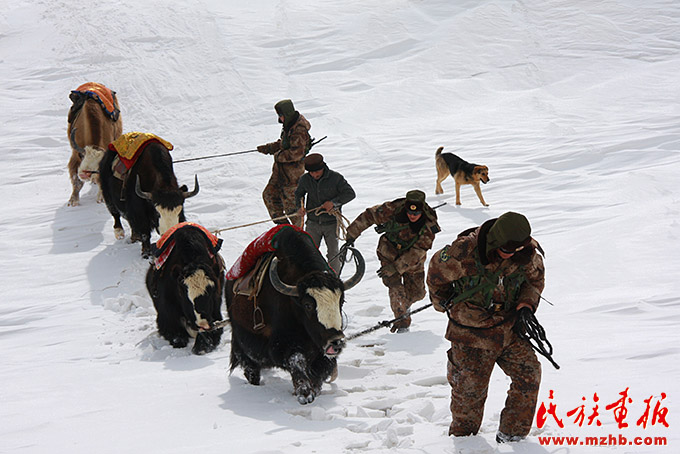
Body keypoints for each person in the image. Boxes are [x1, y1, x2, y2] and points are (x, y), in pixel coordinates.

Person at [426, 211, 545, 443]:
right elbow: (435, 275)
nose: (510, 254)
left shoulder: (527, 251)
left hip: (510, 329)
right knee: (469, 396)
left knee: (528, 374)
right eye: (506, 249)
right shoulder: (463, 252)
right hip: (471, 334)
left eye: (515, 250)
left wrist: (526, 303)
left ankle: (513, 437)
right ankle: (464, 444)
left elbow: (535, 280)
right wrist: (446, 304)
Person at [344, 190, 440, 333]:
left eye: (416, 213)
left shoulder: (429, 223)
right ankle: (402, 324)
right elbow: (369, 215)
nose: (412, 216)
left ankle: (403, 307)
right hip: (388, 253)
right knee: (395, 288)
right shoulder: (392, 209)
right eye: (410, 212)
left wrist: (397, 267)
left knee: (418, 293)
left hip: (413, 260)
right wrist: (351, 235)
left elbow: (419, 250)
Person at [295, 153, 356, 273]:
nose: (314, 175)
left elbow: (350, 194)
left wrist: (334, 203)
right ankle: (309, 276)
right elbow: (298, 194)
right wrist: (299, 207)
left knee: (333, 253)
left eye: (316, 172)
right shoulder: (305, 179)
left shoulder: (336, 178)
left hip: (331, 223)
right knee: (309, 252)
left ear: (323, 168)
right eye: (311, 173)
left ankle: (334, 278)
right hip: (313, 223)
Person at [257, 99, 311, 227]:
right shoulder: (289, 125)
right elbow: (285, 143)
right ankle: (285, 228)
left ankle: (299, 236)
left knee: (293, 210)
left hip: (292, 177)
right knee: (269, 195)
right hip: (280, 174)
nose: (280, 119)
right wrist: (270, 148)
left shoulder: (299, 130)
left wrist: (278, 156)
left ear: (287, 114)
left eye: (281, 116)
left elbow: (296, 153)